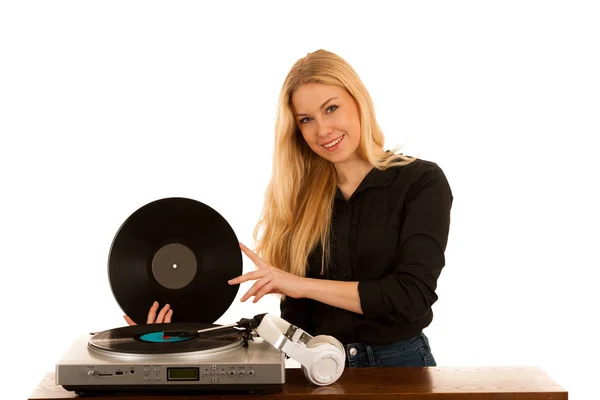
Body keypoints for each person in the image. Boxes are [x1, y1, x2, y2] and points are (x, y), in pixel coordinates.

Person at [126, 49, 453, 368]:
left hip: (402, 369)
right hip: (322, 368)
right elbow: (295, 327)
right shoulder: (299, 198)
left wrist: (298, 284)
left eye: (331, 108)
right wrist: (174, 340)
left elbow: (411, 297)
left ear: (359, 101)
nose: (322, 130)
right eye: (306, 119)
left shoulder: (421, 182)